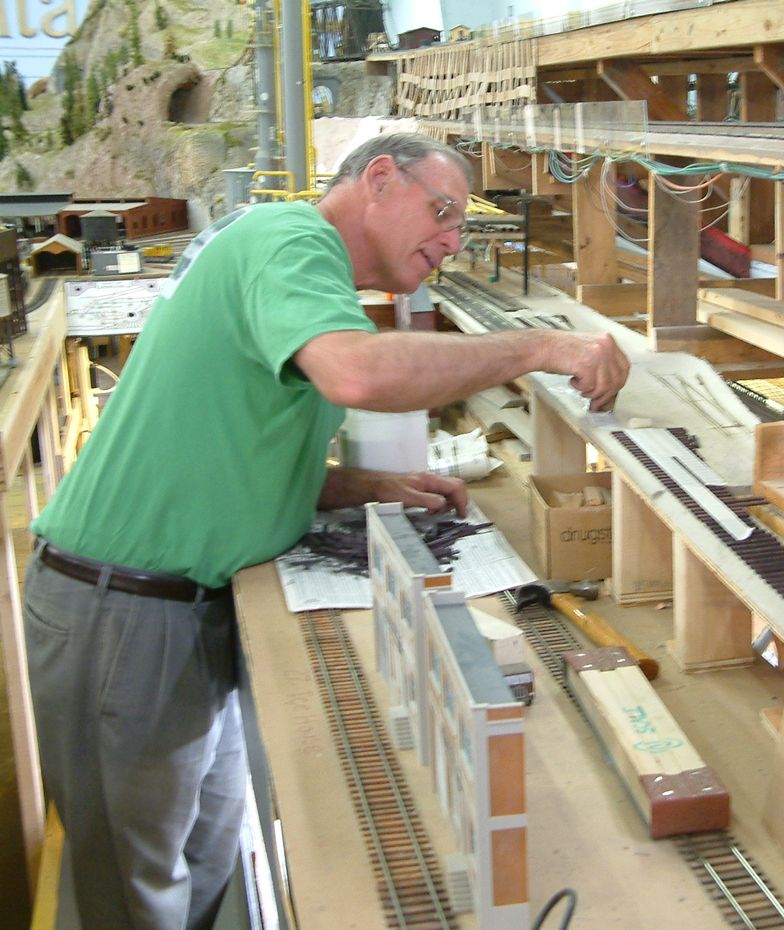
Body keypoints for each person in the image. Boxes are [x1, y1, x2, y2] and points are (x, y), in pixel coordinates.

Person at [23, 132, 630, 929]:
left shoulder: (302, 271)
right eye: (442, 212)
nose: (450, 240)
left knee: (205, 865)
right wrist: (544, 346)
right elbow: (358, 373)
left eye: (462, 227)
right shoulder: (289, 238)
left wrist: (367, 486)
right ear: (378, 179)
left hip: (189, 605)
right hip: (124, 614)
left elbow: (232, 438)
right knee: (133, 898)